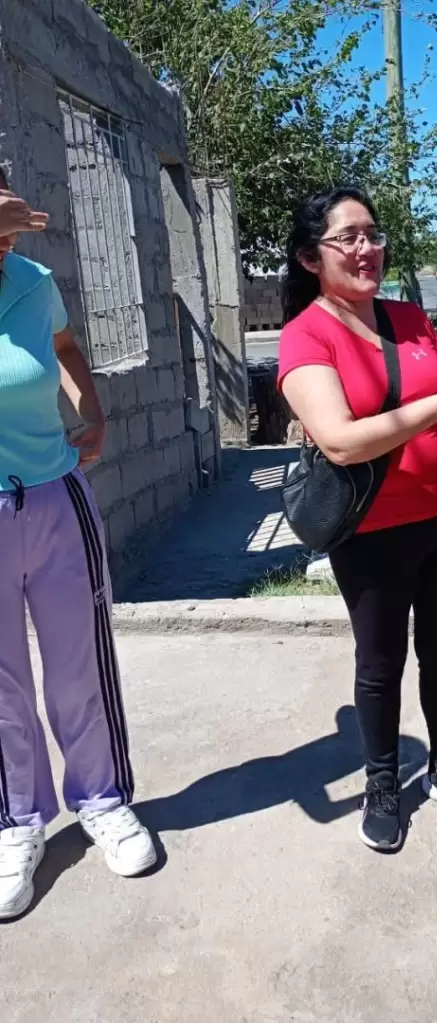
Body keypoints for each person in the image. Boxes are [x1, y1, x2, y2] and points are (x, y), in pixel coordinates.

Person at [278, 186, 437, 852]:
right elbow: (341, 440)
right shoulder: (304, 335)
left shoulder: (408, 316)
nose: (366, 248)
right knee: (380, 662)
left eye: (372, 234)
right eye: (347, 237)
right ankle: (382, 783)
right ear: (309, 257)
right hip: (372, 528)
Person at [0, 170, 157, 920]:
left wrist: (91, 409)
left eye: (6, 224)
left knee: (80, 664)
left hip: (57, 498)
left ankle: (102, 798)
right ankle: (17, 824)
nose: (5, 241)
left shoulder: (33, 279)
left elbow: (63, 344)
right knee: (1, 683)